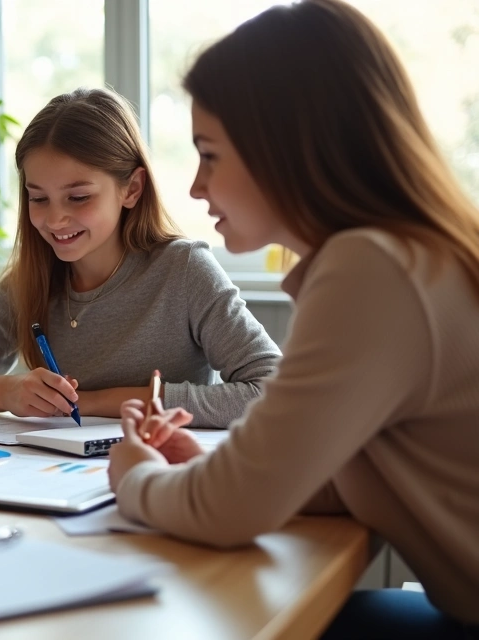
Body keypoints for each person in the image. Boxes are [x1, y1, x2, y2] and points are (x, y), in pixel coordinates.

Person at [105, 1, 479, 637]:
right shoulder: (410, 255)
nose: (196, 188)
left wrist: (133, 475)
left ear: (289, 146)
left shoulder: (372, 271)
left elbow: (229, 512)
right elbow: (354, 472)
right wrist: (210, 468)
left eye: (210, 154)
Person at [0, 87, 280, 427]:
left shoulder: (184, 270)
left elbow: (271, 391)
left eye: (78, 197)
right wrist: (9, 391)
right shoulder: (29, 279)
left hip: (159, 475)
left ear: (132, 189)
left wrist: (94, 402)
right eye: (38, 198)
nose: (54, 220)